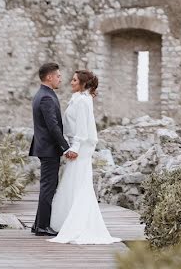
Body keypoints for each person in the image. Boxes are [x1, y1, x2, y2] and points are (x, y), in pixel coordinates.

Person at [48, 69, 121, 245]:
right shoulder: (80, 99)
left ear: (83, 84)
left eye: (74, 80)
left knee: (78, 184)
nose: (70, 82)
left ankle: (78, 224)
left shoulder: (82, 101)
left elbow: (82, 128)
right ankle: (68, 220)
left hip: (80, 149)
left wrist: (74, 148)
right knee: (75, 183)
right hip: (78, 146)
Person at [28, 61, 77, 237]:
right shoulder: (47, 97)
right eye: (57, 76)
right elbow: (53, 126)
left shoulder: (42, 94)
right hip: (49, 149)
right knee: (49, 187)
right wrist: (65, 147)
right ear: (49, 77)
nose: (60, 79)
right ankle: (42, 226)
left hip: (45, 148)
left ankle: (37, 225)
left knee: (47, 186)